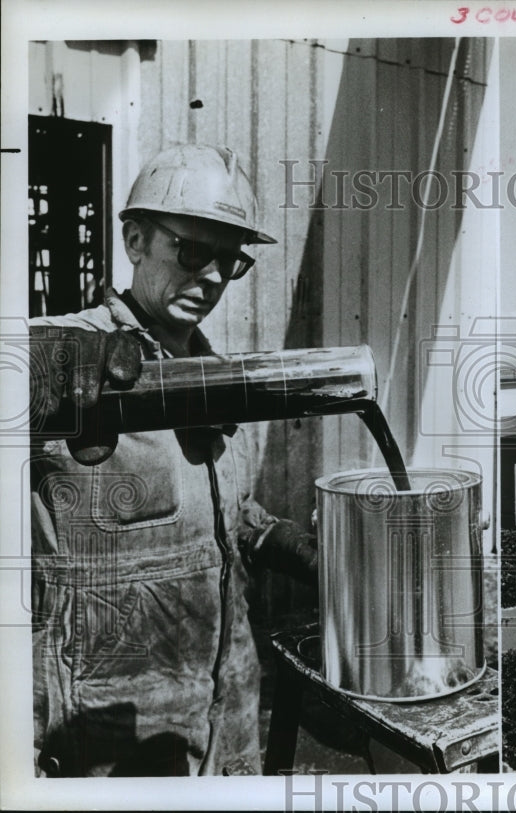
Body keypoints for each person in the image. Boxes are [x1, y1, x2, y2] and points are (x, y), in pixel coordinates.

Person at [29, 144, 318, 777]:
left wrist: (296, 547)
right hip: (110, 740)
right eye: (193, 251)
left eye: (229, 260)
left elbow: (221, 512)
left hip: (228, 721)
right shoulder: (61, 364)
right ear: (134, 240)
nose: (212, 276)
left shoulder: (212, 379)